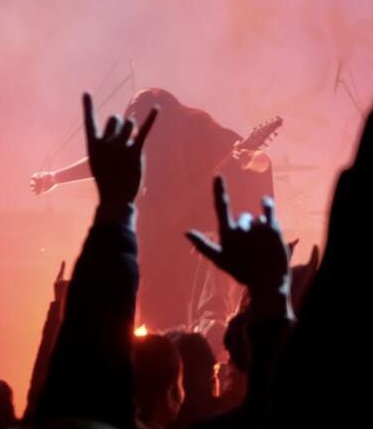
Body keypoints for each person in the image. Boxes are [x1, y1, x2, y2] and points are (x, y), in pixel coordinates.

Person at [29, 88, 274, 332]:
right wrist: (56, 177)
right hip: (155, 237)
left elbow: (260, 161)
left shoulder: (199, 130)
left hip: (193, 239)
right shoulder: (145, 140)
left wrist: (251, 160)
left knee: (182, 311)